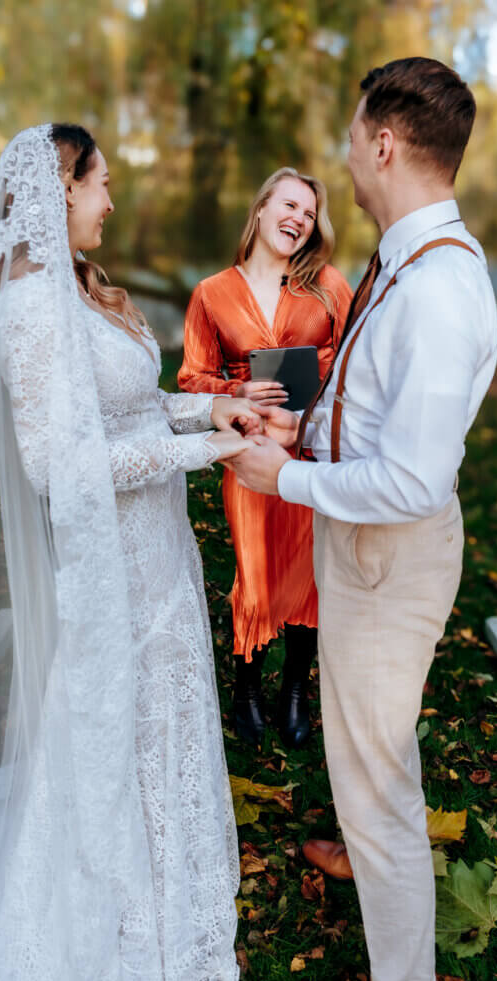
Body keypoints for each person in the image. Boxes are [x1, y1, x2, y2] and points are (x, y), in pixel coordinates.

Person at [0, 123, 263, 981]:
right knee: (109, 731)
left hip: (155, 554)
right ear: (60, 189)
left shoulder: (76, 294)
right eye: (101, 183)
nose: (110, 200)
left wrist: (214, 407)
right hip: (106, 566)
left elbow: (126, 405)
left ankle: (169, 885)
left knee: (160, 722)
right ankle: (112, 916)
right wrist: (199, 454)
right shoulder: (33, 310)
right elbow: (59, 465)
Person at [229, 58, 497, 981]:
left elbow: (415, 479)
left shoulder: (435, 288)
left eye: (350, 138)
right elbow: (373, 406)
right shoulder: (403, 256)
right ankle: (364, 831)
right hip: (364, 537)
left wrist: (283, 477)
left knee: (379, 765)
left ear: (384, 143)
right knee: (365, 742)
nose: (345, 156)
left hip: (388, 551)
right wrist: (309, 431)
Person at [178, 169, 352, 748]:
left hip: (310, 452)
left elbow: (356, 365)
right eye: (290, 205)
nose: (299, 219)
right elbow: (191, 377)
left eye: (309, 213)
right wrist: (236, 392)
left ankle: (295, 690)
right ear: (260, 210)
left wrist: (314, 398)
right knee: (254, 570)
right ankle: (247, 687)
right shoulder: (210, 293)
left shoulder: (327, 286)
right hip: (249, 453)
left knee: (308, 573)